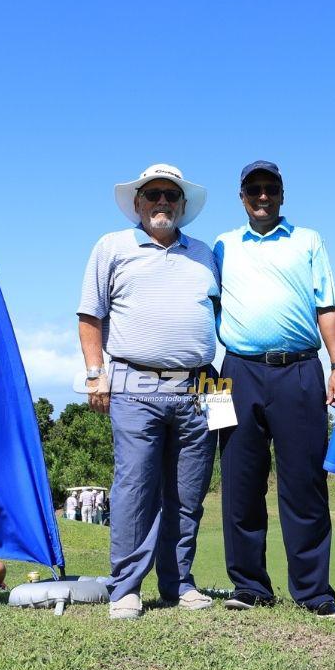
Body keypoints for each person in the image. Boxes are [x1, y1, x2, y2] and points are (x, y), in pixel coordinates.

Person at [78, 163, 220, 619]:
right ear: (138, 203)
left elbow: (218, 320)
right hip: (133, 382)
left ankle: (180, 583)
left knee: (190, 490)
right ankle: (126, 588)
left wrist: (222, 398)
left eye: (171, 196)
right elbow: (89, 316)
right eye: (153, 195)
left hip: (205, 383)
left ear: (182, 205)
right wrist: (95, 374)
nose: (162, 202)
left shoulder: (203, 254)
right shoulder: (111, 246)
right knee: (135, 488)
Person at [214, 161, 335, 619]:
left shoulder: (308, 240)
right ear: (242, 196)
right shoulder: (222, 246)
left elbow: (326, 306)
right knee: (239, 482)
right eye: (254, 189)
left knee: (305, 483)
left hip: (299, 370)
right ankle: (250, 585)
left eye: (270, 188)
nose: (263, 196)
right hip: (233, 372)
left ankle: (314, 593)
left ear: (282, 194)